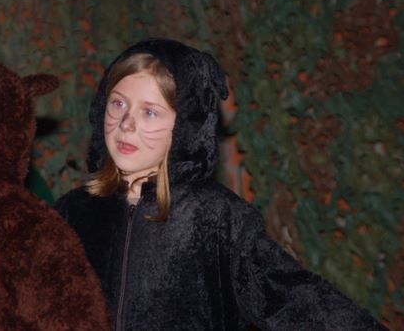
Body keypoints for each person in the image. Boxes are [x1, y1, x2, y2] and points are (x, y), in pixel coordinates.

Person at [55, 38, 386, 330]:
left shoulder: (217, 219)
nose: (126, 124)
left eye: (150, 112)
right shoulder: (73, 213)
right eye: (118, 104)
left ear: (183, 126)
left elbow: (297, 301)